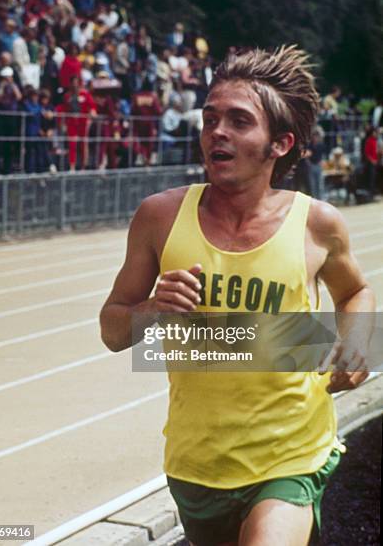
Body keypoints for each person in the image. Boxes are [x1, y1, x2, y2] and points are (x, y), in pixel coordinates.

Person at [100, 45, 376, 546]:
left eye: (238, 121)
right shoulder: (159, 217)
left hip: (293, 454)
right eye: (210, 119)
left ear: (279, 143)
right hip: (196, 463)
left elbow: (355, 290)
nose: (216, 132)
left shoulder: (316, 224)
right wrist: (152, 311)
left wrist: (355, 346)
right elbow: (113, 330)